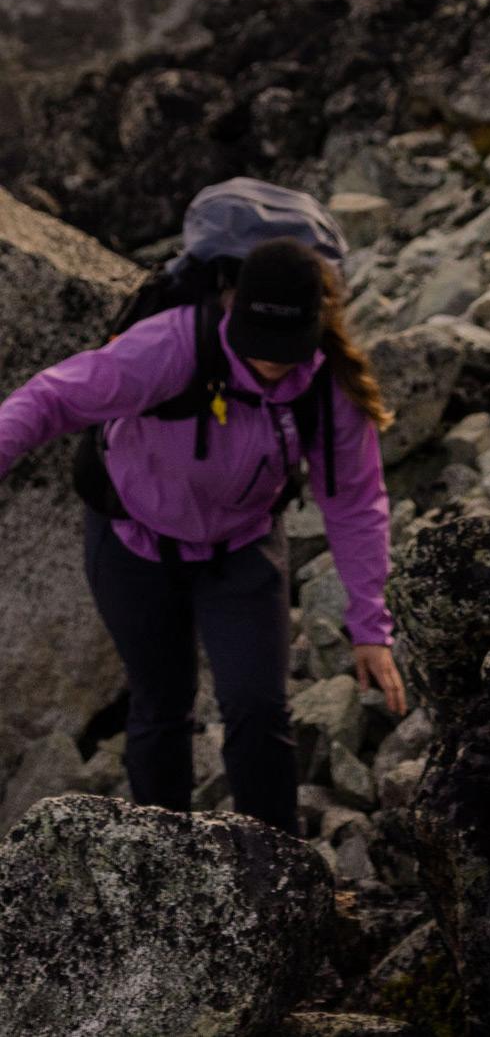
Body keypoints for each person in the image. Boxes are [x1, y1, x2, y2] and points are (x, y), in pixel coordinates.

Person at [0, 236, 406, 833]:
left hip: (242, 550)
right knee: (161, 707)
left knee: (258, 707)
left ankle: (276, 867)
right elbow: (50, 398)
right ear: (231, 309)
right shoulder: (170, 345)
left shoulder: (327, 387)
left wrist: (370, 625)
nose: (270, 364)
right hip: (132, 545)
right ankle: (160, 866)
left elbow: (355, 503)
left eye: (285, 350)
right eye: (256, 348)